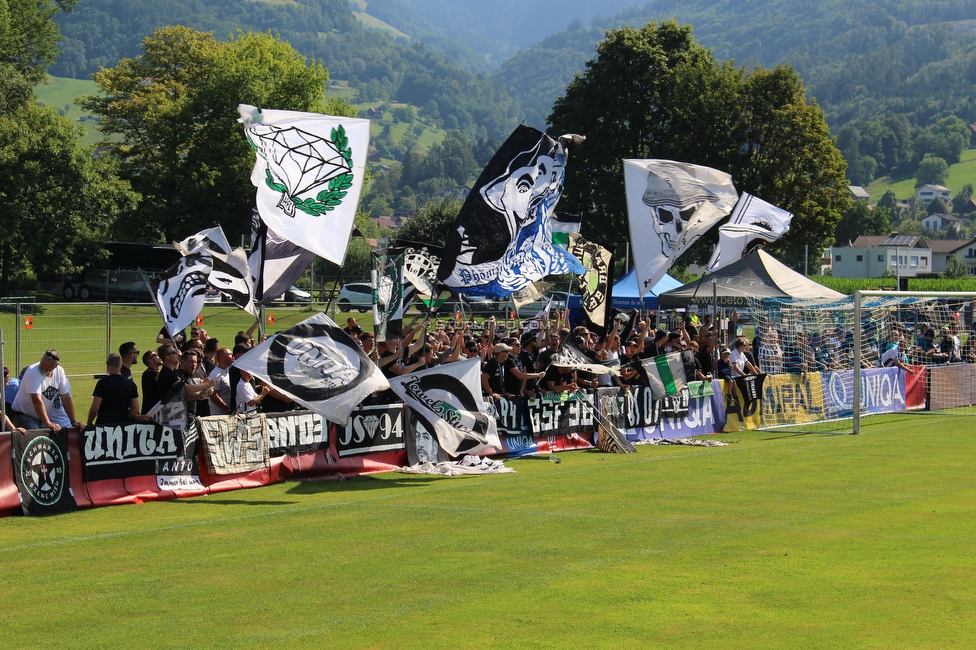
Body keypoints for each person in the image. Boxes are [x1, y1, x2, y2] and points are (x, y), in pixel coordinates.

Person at [10, 349, 82, 432]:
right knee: (37, 439)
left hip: (42, 417)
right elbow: (37, 400)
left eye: (48, 366)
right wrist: (48, 423)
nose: (43, 367)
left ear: (56, 366)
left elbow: (65, 397)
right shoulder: (32, 372)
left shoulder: (60, 371)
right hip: (24, 415)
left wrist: (73, 421)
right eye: (42, 363)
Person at [87, 353, 147, 427]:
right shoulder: (130, 384)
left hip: (104, 425)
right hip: (122, 426)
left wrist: (89, 423)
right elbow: (135, 409)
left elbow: (94, 409)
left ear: (108, 365)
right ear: (121, 365)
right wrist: (125, 416)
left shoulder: (102, 383)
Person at [208, 347, 235, 416]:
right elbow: (214, 396)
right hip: (219, 416)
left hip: (227, 414)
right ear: (222, 358)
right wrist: (227, 409)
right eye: (230, 354)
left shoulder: (227, 372)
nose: (233, 356)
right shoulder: (216, 375)